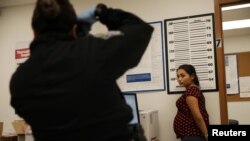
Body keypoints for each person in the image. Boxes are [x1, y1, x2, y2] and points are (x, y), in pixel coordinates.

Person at [9, 0, 153, 141]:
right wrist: (102, 12)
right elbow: (139, 29)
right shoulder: (92, 52)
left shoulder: (19, 81)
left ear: (33, 30)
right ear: (73, 28)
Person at [173, 64, 209, 141]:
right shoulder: (191, 90)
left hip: (193, 135)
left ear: (192, 76)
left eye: (182, 76)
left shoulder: (191, 91)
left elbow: (197, 117)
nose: (179, 79)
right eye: (178, 77)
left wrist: (206, 135)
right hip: (190, 135)